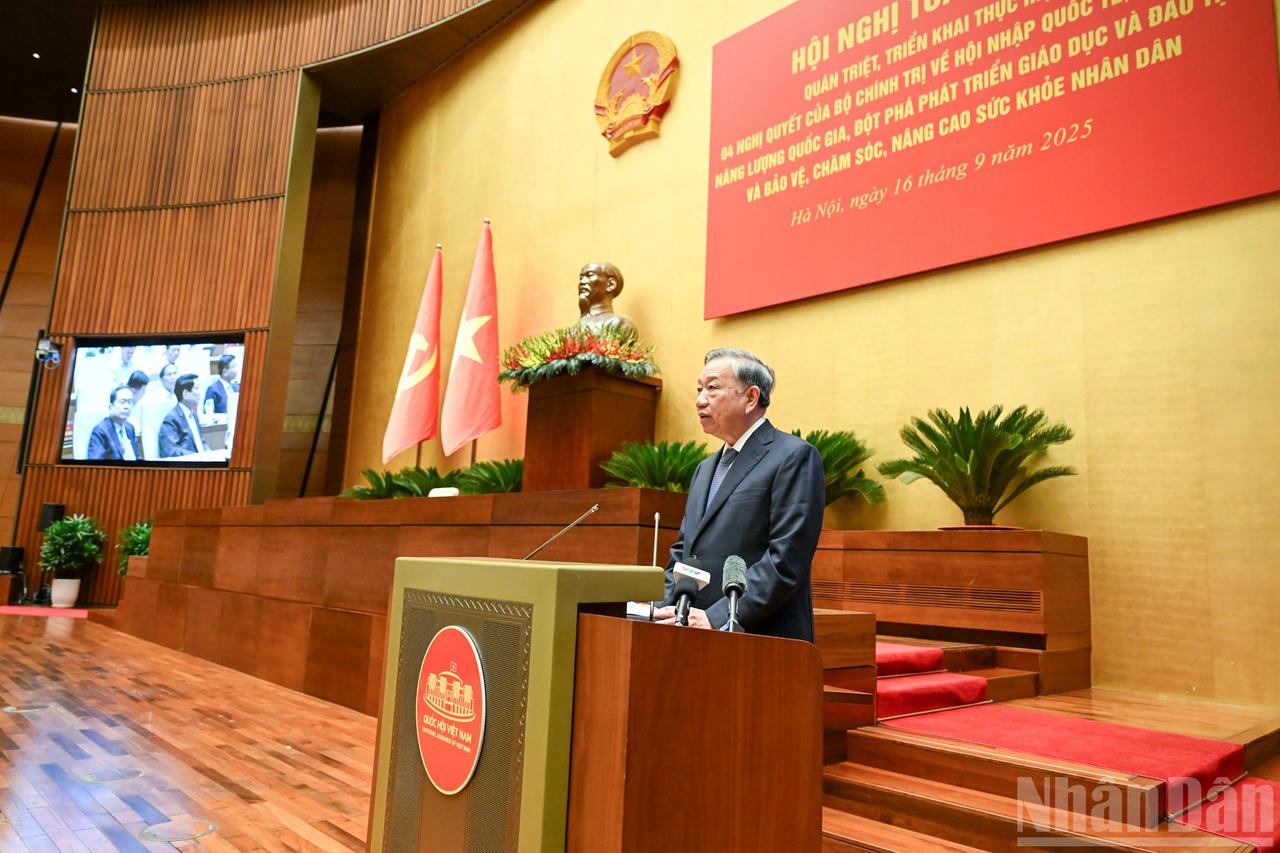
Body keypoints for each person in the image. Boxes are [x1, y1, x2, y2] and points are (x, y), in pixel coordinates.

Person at [654, 348, 825, 641]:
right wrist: (662, 608)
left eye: (712, 388)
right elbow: (684, 552)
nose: (699, 400)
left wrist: (716, 616)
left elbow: (785, 561)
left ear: (750, 398)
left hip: (761, 639)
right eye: (698, 389)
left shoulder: (793, 457)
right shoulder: (705, 469)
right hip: (694, 638)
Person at [573, 262, 636, 334]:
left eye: (589, 275)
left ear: (611, 284)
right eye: (581, 278)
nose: (582, 282)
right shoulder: (573, 329)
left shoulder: (619, 323)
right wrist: (584, 315)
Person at [86, 385, 142, 461]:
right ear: (110, 406)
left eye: (129, 402)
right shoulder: (100, 431)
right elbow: (96, 465)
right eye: (122, 402)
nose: (127, 406)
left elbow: (136, 457)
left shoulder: (130, 428)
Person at [158, 374, 207, 457]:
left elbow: (201, 443)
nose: (200, 392)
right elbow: (171, 452)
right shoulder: (171, 419)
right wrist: (198, 457)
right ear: (185, 394)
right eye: (196, 388)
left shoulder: (194, 416)